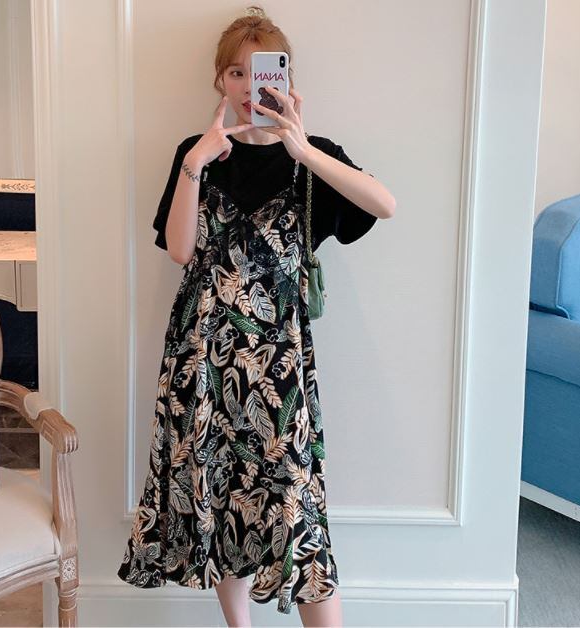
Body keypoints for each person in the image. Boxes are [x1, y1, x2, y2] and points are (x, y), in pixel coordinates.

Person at [117, 5, 396, 627]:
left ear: (287, 78)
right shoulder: (196, 154)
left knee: (299, 516)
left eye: (264, 70)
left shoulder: (312, 157)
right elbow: (180, 249)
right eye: (236, 73)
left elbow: (384, 204)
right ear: (220, 80)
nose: (250, 86)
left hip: (281, 370)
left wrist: (302, 146)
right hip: (202, 361)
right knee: (222, 500)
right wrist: (197, 160)